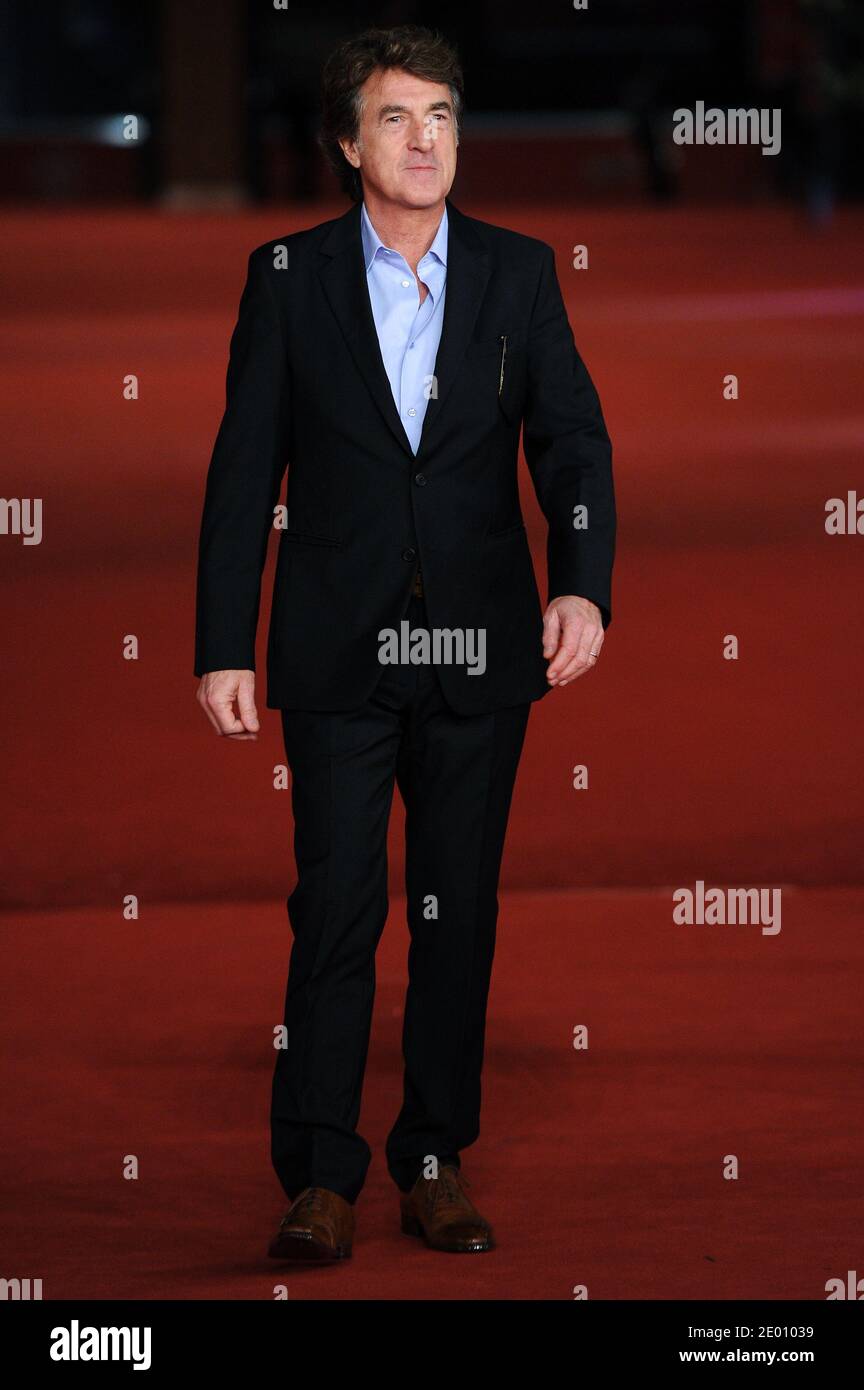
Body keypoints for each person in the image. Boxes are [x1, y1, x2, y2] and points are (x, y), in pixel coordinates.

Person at [194, 24, 616, 1263]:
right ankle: (319, 1173)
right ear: (346, 142)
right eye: (395, 116)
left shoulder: (520, 272)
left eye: (441, 114)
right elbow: (239, 473)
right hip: (336, 647)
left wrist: (584, 585)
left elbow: (575, 446)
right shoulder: (284, 277)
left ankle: (434, 1157)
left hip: (484, 647)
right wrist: (225, 643)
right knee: (333, 907)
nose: (425, 138)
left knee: (457, 911)